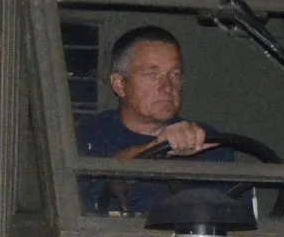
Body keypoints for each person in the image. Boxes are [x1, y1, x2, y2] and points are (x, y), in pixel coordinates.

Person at [77, 28, 231, 214]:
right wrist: (157, 148)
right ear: (119, 84)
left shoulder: (207, 143)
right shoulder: (89, 136)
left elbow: (232, 221)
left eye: (175, 74)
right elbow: (80, 200)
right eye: (152, 75)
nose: (167, 87)